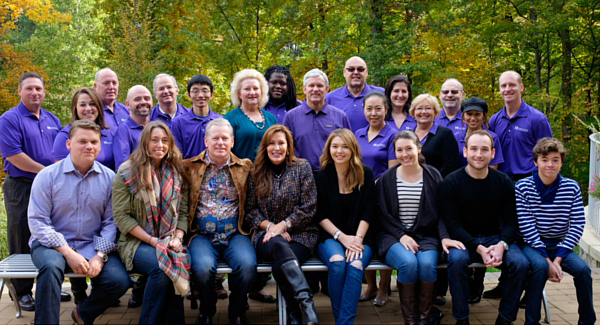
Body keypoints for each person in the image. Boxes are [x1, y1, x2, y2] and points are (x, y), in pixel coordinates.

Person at [28, 120, 130, 325]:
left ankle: (83, 313)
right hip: (51, 245)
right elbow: (38, 222)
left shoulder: (109, 178)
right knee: (50, 268)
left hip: (90, 244)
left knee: (119, 281)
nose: (89, 146)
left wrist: (100, 256)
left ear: (100, 145)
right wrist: (67, 252)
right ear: (68, 144)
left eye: (94, 141)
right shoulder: (47, 176)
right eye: (82, 141)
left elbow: (111, 222)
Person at [440, 130, 529, 325]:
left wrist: (502, 244)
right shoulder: (451, 182)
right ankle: (462, 319)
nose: (478, 154)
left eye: (484, 149)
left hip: (496, 237)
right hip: (463, 239)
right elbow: (453, 225)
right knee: (456, 261)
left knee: (520, 263)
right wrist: (477, 247)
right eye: (473, 149)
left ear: (493, 153)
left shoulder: (504, 182)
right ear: (464, 152)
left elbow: (511, 222)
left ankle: (505, 319)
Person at [377, 130, 464, 325]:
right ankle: (410, 320)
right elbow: (381, 215)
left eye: (409, 148)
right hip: (393, 236)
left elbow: (442, 211)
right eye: (399, 150)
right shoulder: (387, 179)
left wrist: (443, 237)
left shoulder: (433, 175)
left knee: (426, 265)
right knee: (408, 264)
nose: (404, 154)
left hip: (427, 235)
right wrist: (401, 236)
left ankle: (424, 319)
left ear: (419, 148)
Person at [112, 121, 190, 324]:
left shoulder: (177, 172)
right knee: (161, 267)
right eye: (154, 140)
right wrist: (152, 241)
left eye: (165, 141)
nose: (160, 145)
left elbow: (182, 213)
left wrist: (178, 237)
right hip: (135, 242)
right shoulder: (127, 172)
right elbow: (121, 217)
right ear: (145, 142)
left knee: (175, 260)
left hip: (168, 239)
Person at [182, 118, 257, 325]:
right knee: (203, 268)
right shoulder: (188, 167)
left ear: (232, 141)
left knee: (247, 265)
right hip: (201, 234)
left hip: (235, 233)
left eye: (225, 138)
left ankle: (237, 312)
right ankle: (207, 310)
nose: (220, 143)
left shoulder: (245, 167)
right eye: (215, 138)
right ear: (206, 141)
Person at [244, 125, 319, 324]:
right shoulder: (255, 171)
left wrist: (284, 225)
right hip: (266, 235)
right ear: (265, 147)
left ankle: (294, 315)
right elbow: (250, 211)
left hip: (302, 234)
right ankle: (307, 304)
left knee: (279, 269)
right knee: (277, 244)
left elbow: (309, 206)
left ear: (288, 146)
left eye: (281, 143)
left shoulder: (302, 168)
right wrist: (272, 227)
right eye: (271, 143)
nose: (276, 148)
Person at [0, 72, 62, 311]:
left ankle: (47, 287)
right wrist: (47, 171)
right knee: (21, 235)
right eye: (29, 89)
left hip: (49, 187)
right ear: (19, 91)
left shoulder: (52, 119)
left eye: (38, 88)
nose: (34, 92)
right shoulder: (9, 119)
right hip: (22, 187)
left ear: (44, 92)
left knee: (49, 233)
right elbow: (14, 156)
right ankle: (23, 292)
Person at [517, 138, 595, 325]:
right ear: (535, 162)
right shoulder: (523, 187)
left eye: (555, 160)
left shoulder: (571, 187)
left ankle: (587, 321)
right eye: (544, 160)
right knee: (540, 268)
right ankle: (531, 321)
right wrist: (547, 260)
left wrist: (558, 259)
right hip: (532, 245)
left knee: (583, 270)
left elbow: (577, 224)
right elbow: (526, 226)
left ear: (561, 162)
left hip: (559, 245)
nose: (550, 164)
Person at [315, 128, 377, 324]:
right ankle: (343, 321)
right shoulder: (322, 176)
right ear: (329, 149)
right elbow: (319, 215)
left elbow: (369, 212)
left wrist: (357, 239)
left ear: (352, 150)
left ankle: (343, 322)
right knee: (337, 262)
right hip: (330, 236)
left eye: (344, 146)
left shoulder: (365, 174)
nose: (339, 151)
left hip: (361, 236)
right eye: (335, 146)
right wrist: (342, 237)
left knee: (356, 265)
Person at [354, 91, 396, 307]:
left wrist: (372, 186)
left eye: (378, 108)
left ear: (386, 110)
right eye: (369, 108)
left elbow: (393, 170)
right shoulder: (358, 134)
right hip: (360, 195)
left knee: (382, 239)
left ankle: (383, 287)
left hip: (384, 196)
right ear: (364, 110)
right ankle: (369, 285)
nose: (373, 113)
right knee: (366, 238)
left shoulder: (393, 135)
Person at [488, 71, 553, 182]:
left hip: (530, 181)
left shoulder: (537, 119)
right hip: (501, 181)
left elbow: (548, 154)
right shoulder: (494, 120)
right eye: (504, 86)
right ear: (500, 90)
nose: (508, 89)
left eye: (512, 85)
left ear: (521, 87)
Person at [284, 68, 351, 173]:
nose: (315, 89)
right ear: (304, 89)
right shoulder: (291, 117)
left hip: (333, 175)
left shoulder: (340, 116)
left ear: (327, 89)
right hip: (301, 175)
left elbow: (350, 149)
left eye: (320, 86)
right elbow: (286, 150)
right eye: (311, 86)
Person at [52, 87, 115, 170]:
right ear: (75, 108)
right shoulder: (64, 136)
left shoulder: (109, 135)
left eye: (92, 104)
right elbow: (60, 171)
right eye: (82, 105)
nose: (88, 109)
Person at [225, 69, 278, 162]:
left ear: (261, 92)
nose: (252, 92)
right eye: (247, 89)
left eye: (256, 88)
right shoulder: (230, 119)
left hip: (269, 174)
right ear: (239, 94)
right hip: (242, 174)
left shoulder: (271, 119)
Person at [325, 56, 384, 132]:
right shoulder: (330, 99)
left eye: (360, 69)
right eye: (351, 69)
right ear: (344, 72)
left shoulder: (381, 95)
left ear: (366, 72)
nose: (356, 72)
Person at [172, 74, 222, 159]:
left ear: (211, 95)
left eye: (205, 90)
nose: (200, 95)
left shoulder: (220, 121)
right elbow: (177, 156)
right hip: (187, 170)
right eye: (195, 91)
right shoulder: (178, 123)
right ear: (189, 95)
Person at [410, 94, 459, 178]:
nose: (423, 112)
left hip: (436, 185)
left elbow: (450, 166)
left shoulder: (445, 134)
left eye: (428, 108)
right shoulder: (407, 135)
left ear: (435, 112)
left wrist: (433, 180)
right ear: (413, 112)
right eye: (419, 108)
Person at [456, 97, 503, 169]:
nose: (473, 118)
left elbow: (493, 166)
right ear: (463, 115)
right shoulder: (456, 137)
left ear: (483, 116)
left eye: (477, 114)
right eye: (469, 114)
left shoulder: (493, 138)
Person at [113, 85, 153, 170]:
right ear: (127, 104)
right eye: (137, 99)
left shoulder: (156, 129)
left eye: (147, 98)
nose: (143, 102)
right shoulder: (123, 131)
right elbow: (123, 168)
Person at [94, 68, 130, 132]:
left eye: (114, 83)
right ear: (95, 86)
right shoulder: (92, 112)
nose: (111, 87)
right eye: (106, 83)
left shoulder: (125, 111)